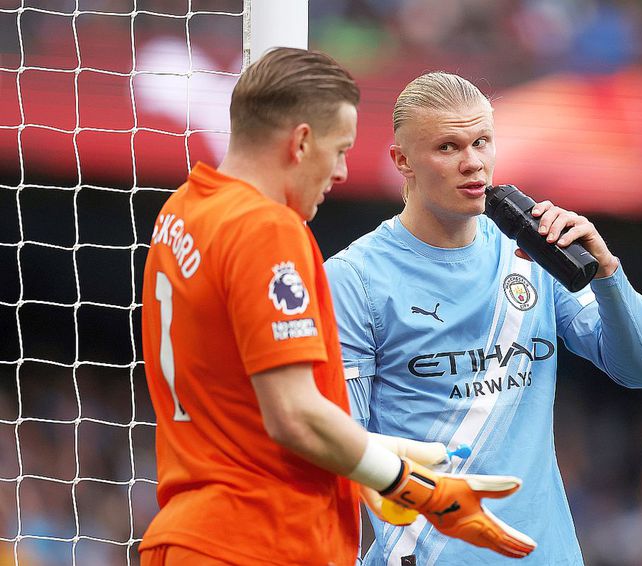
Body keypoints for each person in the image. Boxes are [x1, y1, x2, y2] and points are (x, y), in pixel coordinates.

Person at [139, 50, 536, 566]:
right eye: (340, 149)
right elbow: (294, 417)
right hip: (259, 539)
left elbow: (247, 401)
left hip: (189, 531)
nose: (344, 171)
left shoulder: (183, 211)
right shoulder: (267, 229)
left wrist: (382, 453)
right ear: (302, 142)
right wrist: (418, 490)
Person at [325, 72, 642, 565]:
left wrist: (607, 273)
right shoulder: (355, 279)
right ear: (402, 161)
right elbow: (341, 452)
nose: (473, 163)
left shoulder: (532, 252)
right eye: (447, 147)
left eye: (482, 141)